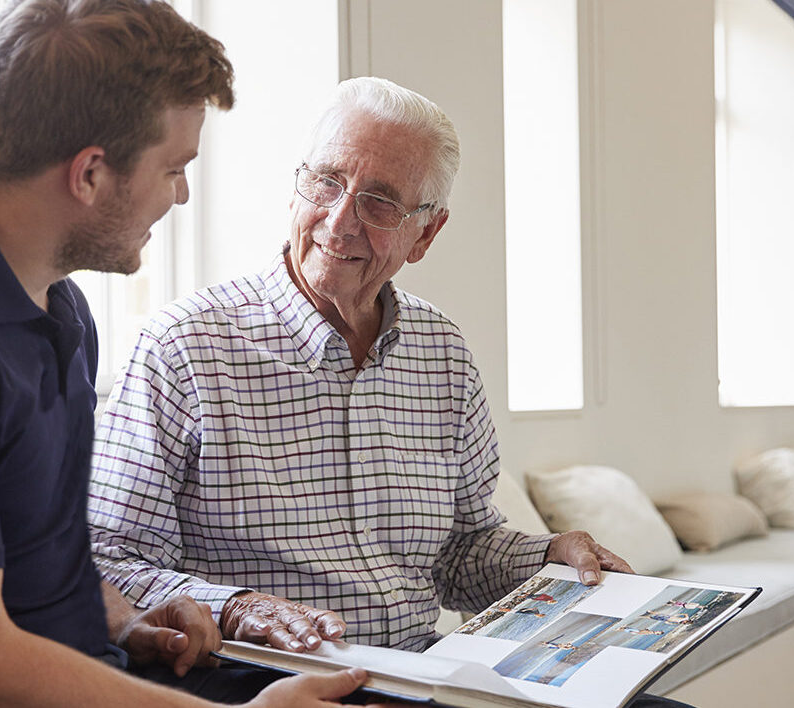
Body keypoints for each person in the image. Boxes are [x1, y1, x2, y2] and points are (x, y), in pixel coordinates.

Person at [0, 2, 371, 706]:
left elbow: (32, 556)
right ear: (90, 173)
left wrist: (127, 624)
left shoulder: (58, 303)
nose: (183, 194)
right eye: (174, 168)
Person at [88, 76, 631, 652]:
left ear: (425, 232)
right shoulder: (184, 346)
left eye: (378, 201)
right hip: (270, 674)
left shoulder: (442, 353)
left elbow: (459, 553)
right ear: (296, 187)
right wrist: (234, 607)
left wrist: (549, 553)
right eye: (326, 182)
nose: (340, 220)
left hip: (424, 670)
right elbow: (108, 560)